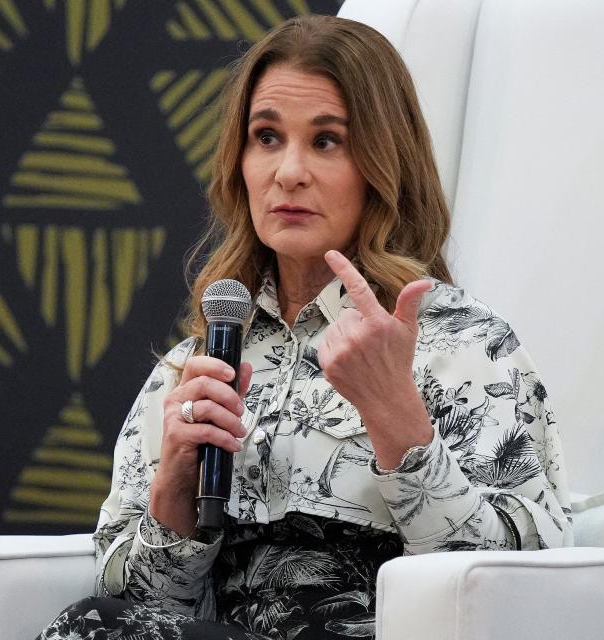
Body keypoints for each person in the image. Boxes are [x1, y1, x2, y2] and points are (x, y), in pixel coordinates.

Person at [38, 14, 571, 640]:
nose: (288, 172)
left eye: (326, 141)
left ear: (383, 163)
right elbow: (141, 610)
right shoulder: (194, 367)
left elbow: (518, 588)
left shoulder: (466, 344)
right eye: (266, 137)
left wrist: (399, 419)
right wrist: (175, 496)